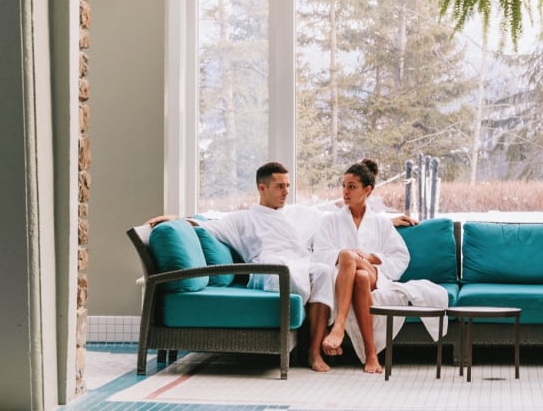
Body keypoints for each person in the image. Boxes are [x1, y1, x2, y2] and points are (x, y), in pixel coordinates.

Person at [143, 162, 343, 372]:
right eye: (280, 187)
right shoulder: (243, 219)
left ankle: (313, 351)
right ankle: (307, 340)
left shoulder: (291, 215)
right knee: (285, 269)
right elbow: (208, 225)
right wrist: (177, 220)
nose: (286, 192)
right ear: (262, 188)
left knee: (325, 272)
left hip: (299, 262)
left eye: (288, 186)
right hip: (269, 270)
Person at [309, 160, 414, 374]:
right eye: (344, 185)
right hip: (349, 278)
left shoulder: (381, 223)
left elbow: (401, 257)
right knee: (358, 275)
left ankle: (337, 326)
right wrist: (347, 258)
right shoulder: (330, 221)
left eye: (352, 186)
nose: (345, 191)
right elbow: (319, 253)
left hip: (376, 276)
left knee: (351, 259)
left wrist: (370, 257)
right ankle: (371, 354)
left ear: (367, 190)